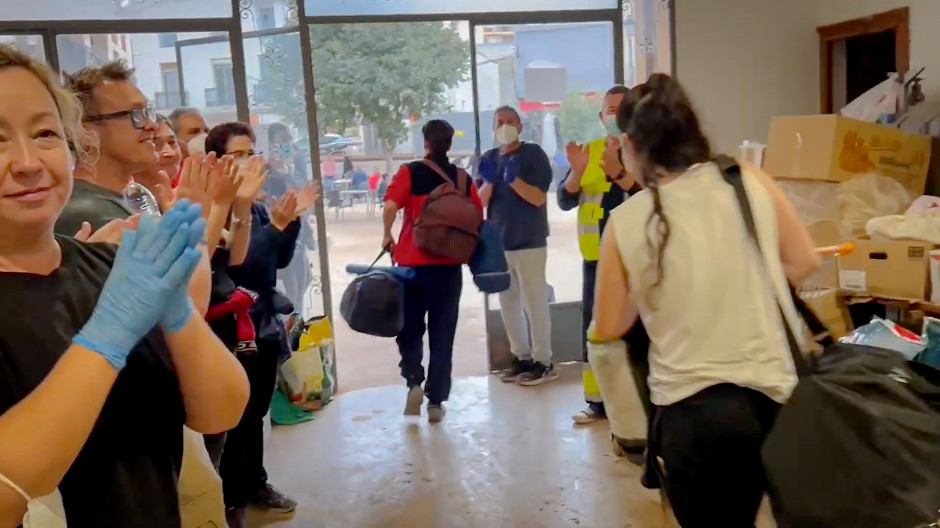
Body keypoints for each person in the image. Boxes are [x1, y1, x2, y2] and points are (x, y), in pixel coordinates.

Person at [0, 44, 250, 527]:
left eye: (45, 132)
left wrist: (174, 309)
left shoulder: (108, 266)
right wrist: (107, 335)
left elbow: (220, 412)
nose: (28, 161)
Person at [592, 73, 821, 527]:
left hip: (694, 414)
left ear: (630, 145)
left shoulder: (627, 220)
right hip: (777, 401)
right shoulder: (746, 180)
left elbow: (610, 323)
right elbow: (803, 260)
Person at [205, 122, 317, 521]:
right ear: (216, 161)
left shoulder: (252, 206)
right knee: (232, 415)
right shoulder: (211, 210)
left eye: (252, 153)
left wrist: (290, 221)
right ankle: (229, 493)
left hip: (263, 322)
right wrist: (276, 227)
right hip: (228, 328)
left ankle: (254, 482)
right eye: (238, 155)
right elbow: (241, 269)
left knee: (255, 412)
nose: (249, 162)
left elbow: (277, 261)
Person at [558, 86, 648, 446]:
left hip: (636, 261)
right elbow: (565, 199)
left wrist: (618, 172)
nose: (614, 115)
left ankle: (636, 401)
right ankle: (598, 402)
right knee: (595, 331)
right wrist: (577, 173)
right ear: (601, 117)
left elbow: (647, 197)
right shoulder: (591, 151)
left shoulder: (645, 153)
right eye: (609, 110)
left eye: (621, 109)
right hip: (595, 260)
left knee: (634, 332)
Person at [383, 119, 484, 422]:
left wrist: (387, 235)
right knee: (443, 335)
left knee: (410, 329)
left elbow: (389, 206)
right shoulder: (463, 179)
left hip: (412, 268)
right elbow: (477, 217)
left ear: (425, 143)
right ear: (450, 144)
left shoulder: (410, 172)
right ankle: (436, 402)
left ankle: (414, 380)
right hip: (449, 268)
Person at [478, 106, 556, 385]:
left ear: (520, 127)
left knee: (534, 301)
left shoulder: (533, 155)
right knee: (508, 302)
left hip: (530, 240)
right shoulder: (488, 159)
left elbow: (538, 198)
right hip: (500, 243)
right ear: (493, 127)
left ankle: (543, 360)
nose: (505, 126)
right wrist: (489, 180)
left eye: (510, 121)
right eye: (500, 122)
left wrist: (513, 180)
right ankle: (520, 356)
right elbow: (480, 203)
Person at [54, 61, 160, 235]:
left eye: (147, 112)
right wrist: (213, 208)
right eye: (135, 114)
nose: (151, 125)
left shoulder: (125, 198)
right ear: (84, 131)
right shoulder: (87, 213)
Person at [134, 113, 182, 210]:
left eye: (172, 143)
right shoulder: (123, 207)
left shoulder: (188, 199)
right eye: (155, 144)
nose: (170, 153)